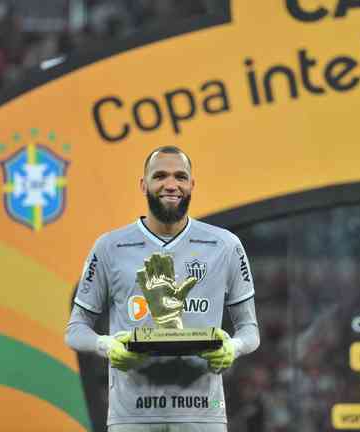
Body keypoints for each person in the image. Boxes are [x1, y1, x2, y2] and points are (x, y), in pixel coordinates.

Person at [65, 145, 260, 431]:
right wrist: (106, 345)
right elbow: (75, 330)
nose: (171, 185)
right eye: (160, 176)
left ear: (192, 184)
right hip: (132, 417)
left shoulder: (226, 246)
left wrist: (232, 346)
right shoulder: (110, 247)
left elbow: (250, 330)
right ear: (144, 185)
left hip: (203, 416)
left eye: (180, 177)